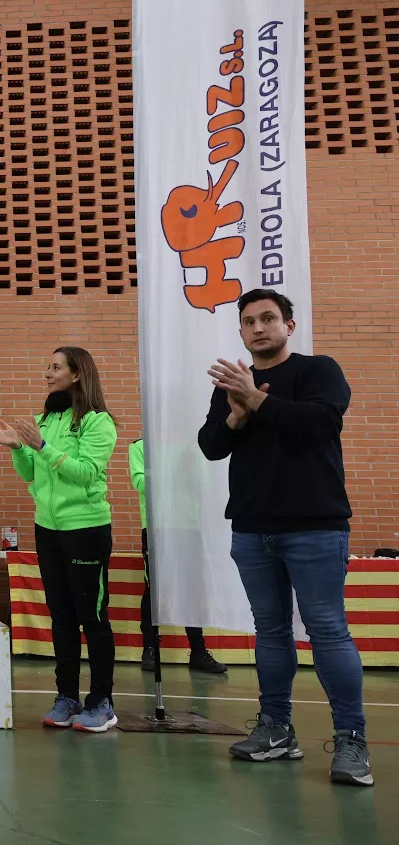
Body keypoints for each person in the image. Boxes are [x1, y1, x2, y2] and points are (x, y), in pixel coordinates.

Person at [199, 288, 371, 786]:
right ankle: (276, 729)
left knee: (327, 631)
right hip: (253, 528)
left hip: (315, 526)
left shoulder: (318, 371)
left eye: (268, 318)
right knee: (270, 632)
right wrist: (235, 414)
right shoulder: (232, 384)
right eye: (248, 321)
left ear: (288, 326)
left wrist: (255, 399)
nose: (257, 327)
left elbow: (318, 424)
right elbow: (211, 446)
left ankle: (352, 740)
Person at [0, 347, 118, 733]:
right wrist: (19, 449)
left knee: (91, 617)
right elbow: (31, 474)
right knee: (60, 616)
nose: (48, 373)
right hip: (48, 529)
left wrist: (42, 446)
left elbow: (87, 474)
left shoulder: (97, 422)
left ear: (77, 375)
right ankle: (68, 697)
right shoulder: (45, 418)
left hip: (86, 529)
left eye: (56, 367)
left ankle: (102, 702)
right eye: (48, 366)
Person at [129, 437, 226, 674]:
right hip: (155, 528)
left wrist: (190, 471)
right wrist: (173, 472)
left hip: (188, 527)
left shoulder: (192, 446)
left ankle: (198, 651)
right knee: (154, 590)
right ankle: (150, 648)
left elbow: (206, 483)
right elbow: (141, 484)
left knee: (191, 591)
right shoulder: (140, 446)